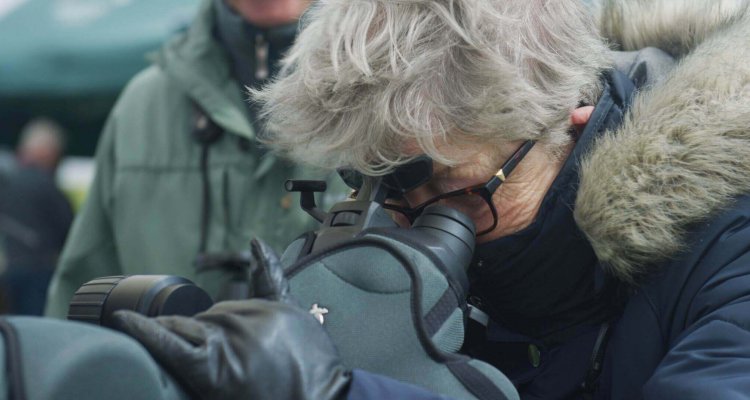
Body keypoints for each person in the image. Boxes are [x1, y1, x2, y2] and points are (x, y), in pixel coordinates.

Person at [111, 0, 750, 399]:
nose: (409, 228)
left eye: (450, 193)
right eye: (379, 189)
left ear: (574, 121)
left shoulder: (730, 243)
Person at [44, 0, 347, 318]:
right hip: (160, 366)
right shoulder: (142, 105)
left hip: (336, 367)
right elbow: (81, 294)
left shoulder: (384, 98)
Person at [0, 119, 73, 315]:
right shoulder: (49, 187)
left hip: (9, 271)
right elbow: (70, 234)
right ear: (48, 152)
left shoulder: (7, 185)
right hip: (39, 274)